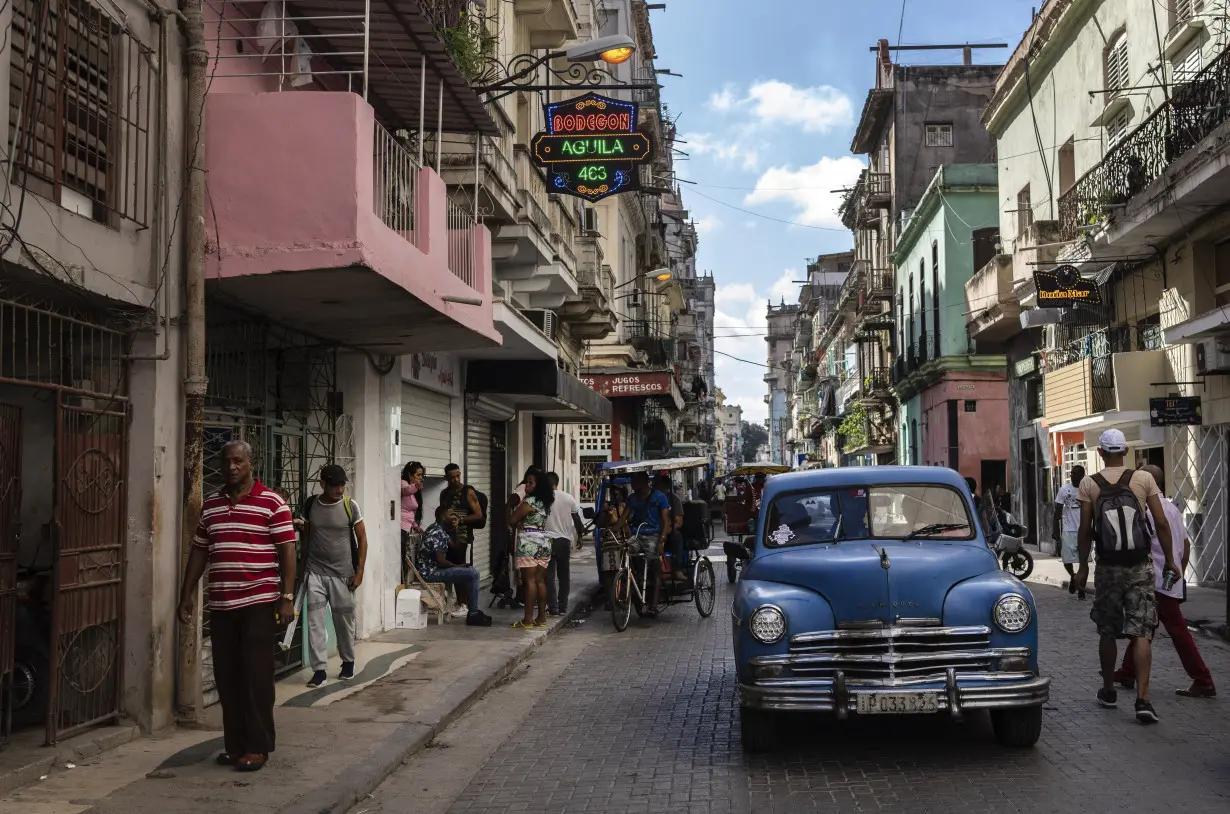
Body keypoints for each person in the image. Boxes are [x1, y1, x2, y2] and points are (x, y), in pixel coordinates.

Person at [177, 440, 297, 772]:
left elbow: (288, 552)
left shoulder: (273, 503)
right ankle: (235, 746)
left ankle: (258, 747)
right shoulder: (211, 505)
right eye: (227, 461)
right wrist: (186, 593)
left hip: (259, 602)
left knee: (256, 677)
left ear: (250, 463)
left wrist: (286, 597)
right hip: (222, 605)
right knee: (227, 678)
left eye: (238, 461)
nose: (232, 467)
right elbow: (200, 551)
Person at [1076, 428, 1180, 724]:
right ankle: (1143, 700)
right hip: (1139, 566)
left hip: (1108, 568)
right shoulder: (1144, 479)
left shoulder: (1089, 484)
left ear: (1100, 453)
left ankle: (1109, 690)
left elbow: (1085, 530)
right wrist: (1170, 561)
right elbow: (1160, 522)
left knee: (1107, 630)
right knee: (1141, 630)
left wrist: (1083, 567)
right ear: (1124, 450)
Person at [1113, 465, 1216, 699]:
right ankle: (1127, 671)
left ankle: (1203, 679)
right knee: (1144, 628)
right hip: (1168, 579)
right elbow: (1186, 544)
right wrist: (1178, 568)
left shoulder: (1149, 511)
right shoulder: (1172, 508)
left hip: (1156, 580)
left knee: (1174, 631)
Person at [295, 464, 368, 688]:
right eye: (335, 485)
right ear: (322, 484)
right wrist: (302, 569)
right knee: (315, 622)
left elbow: (362, 539)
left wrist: (359, 572)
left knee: (343, 621)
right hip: (315, 571)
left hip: (342, 575)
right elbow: (306, 535)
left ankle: (348, 662)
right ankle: (319, 670)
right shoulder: (311, 505)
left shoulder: (350, 506)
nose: (340, 489)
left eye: (342, 484)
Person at [418, 505, 492, 627]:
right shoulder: (437, 532)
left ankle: (473, 610)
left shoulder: (440, 530)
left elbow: (456, 547)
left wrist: (456, 527)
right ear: (443, 517)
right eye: (451, 514)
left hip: (436, 569)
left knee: (471, 573)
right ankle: (473, 613)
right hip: (431, 573)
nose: (454, 516)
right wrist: (457, 566)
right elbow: (441, 561)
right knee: (473, 574)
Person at [509, 467, 554, 629]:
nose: (526, 485)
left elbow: (513, 520)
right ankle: (541, 618)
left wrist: (518, 520)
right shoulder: (544, 502)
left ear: (538, 486)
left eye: (530, 483)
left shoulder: (529, 502)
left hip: (529, 542)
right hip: (544, 541)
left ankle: (527, 620)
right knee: (540, 581)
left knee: (529, 582)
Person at [622, 470, 672, 610]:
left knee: (655, 567)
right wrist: (613, 529)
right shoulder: (632, 498)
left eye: (634, 481)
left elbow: (665, 521)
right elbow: (623, 518)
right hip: (637, 535)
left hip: (653, 535)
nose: (632, 484)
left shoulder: (659, 497)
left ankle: (654, 604)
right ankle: (634, 578)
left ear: (643, 482)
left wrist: (662, 540)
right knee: (626, 550)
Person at [440, 463, 483, 612]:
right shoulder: (444, 494)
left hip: (462, 537)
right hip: (446, 536)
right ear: (446, 478)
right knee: (447, 566)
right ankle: (453, 601)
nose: (456, 479)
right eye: (452, 477)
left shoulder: (468, 491)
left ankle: (463, 603)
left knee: (460, 567)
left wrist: (461, 520)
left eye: (458, 475)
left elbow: (478, 515)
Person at [544, 472, 585, 616]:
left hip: (546, 540)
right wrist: (580, 536)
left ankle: (553, 607)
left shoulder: (542, 498)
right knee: (564, 575)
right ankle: (563, 607)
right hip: (564, 541)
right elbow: (577, 519)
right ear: (557, 482)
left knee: (548, 576)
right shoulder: (568, 498)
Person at [1052, 465, 1086, 600]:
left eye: (1075, 473)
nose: (1072, 475)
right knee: (1066, 559)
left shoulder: (1087, 488)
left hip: (1083, 530)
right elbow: (1057, 512)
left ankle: (1082, 590)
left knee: (1083, 562)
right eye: (1071, 473)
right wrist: (1055, 529)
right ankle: (1073, 576)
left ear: (1082, 475)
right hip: (1068, 529)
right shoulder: (1064, 490)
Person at [654, 473, 688, 584]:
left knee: (677, 536)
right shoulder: (651, 498)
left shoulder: (674, 499)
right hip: (653, 530)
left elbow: (679, 522)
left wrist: (668, 529)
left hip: (669, 531)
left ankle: (677, 569)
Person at [400, 461, 425, 582]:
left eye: (422, 475)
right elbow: (405, 490)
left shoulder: (414, 490)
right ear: (410, 475)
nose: (420, 478)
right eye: (418, 475)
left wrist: (416, 526)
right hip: (401, 527)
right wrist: (416, 486)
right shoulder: (404, 483)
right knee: (401, 557)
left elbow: (410, 513)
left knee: (406, 558)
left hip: (407, 527)